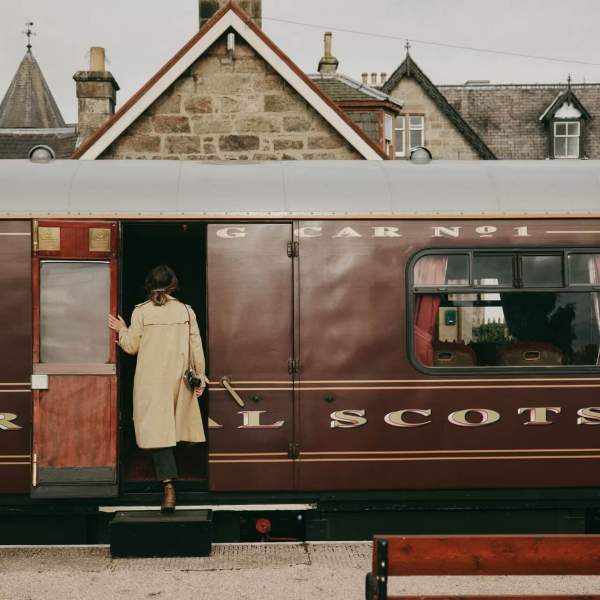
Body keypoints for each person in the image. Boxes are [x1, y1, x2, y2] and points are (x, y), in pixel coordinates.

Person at [108, 265, 206, 513]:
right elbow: (196, 346)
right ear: (173, 286)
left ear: (148, 286)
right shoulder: (186, 311)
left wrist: (121, 330)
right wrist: (200, 376)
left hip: (150, 381)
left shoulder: (141, 312)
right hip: (179, 379)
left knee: (158, 431)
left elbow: (131, 347)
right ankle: (178, 474)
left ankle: (168, 485)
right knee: (176, 425)